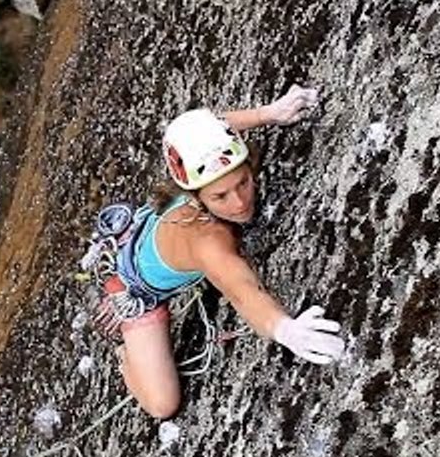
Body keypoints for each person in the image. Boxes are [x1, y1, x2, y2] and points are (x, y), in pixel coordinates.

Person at [93, 84, 345, 419]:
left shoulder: (204, 167)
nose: (240, 203)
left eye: (243, 182)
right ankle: (126, 357)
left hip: (140, 231)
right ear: (196, 197)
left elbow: (212, 127)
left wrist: (270, 113)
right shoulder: (207, 239)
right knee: (162, 405)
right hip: (135, 290)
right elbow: (242, 290)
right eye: (220, 197)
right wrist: (284, 328)